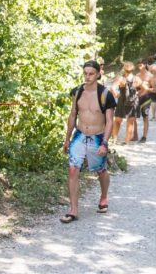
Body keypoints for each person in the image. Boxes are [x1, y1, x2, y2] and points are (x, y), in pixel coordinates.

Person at [60, 60, 117, 223]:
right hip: (79, 135)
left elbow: (110, 121)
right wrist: (67, 138)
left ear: (99, 74)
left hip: (97, 136)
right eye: (85, 73)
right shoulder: (77, 92)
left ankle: (104, 197)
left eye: (91, 73)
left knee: (101, 171)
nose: (88, 76)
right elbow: (72, 115)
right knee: (72, 170)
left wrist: (105, 143)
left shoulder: (106, 94)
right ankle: (73, 210)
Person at [111, 62, 141, 144]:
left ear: (124, 69)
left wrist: (116, 95)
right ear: (133, 69)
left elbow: (112, 88)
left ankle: (114, 140)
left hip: (122, 100)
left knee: (117, 120)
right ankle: (127, 142)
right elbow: (144, 88)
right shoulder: (137, 79)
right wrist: (138, 94)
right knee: (130, 122)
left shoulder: (121, 78)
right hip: (133, 101)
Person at [136, 58, 155, 143]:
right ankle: (134, 135)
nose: (139, 66)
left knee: (145, 117)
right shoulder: (137, 76)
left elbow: (154, 90)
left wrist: (147, 88)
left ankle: (144, 136)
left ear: (145, 65)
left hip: (146, 98)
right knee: (133, 117)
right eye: (138, 65)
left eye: (141, 65)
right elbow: (135, 88)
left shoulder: (150, 76)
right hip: (137, 98)